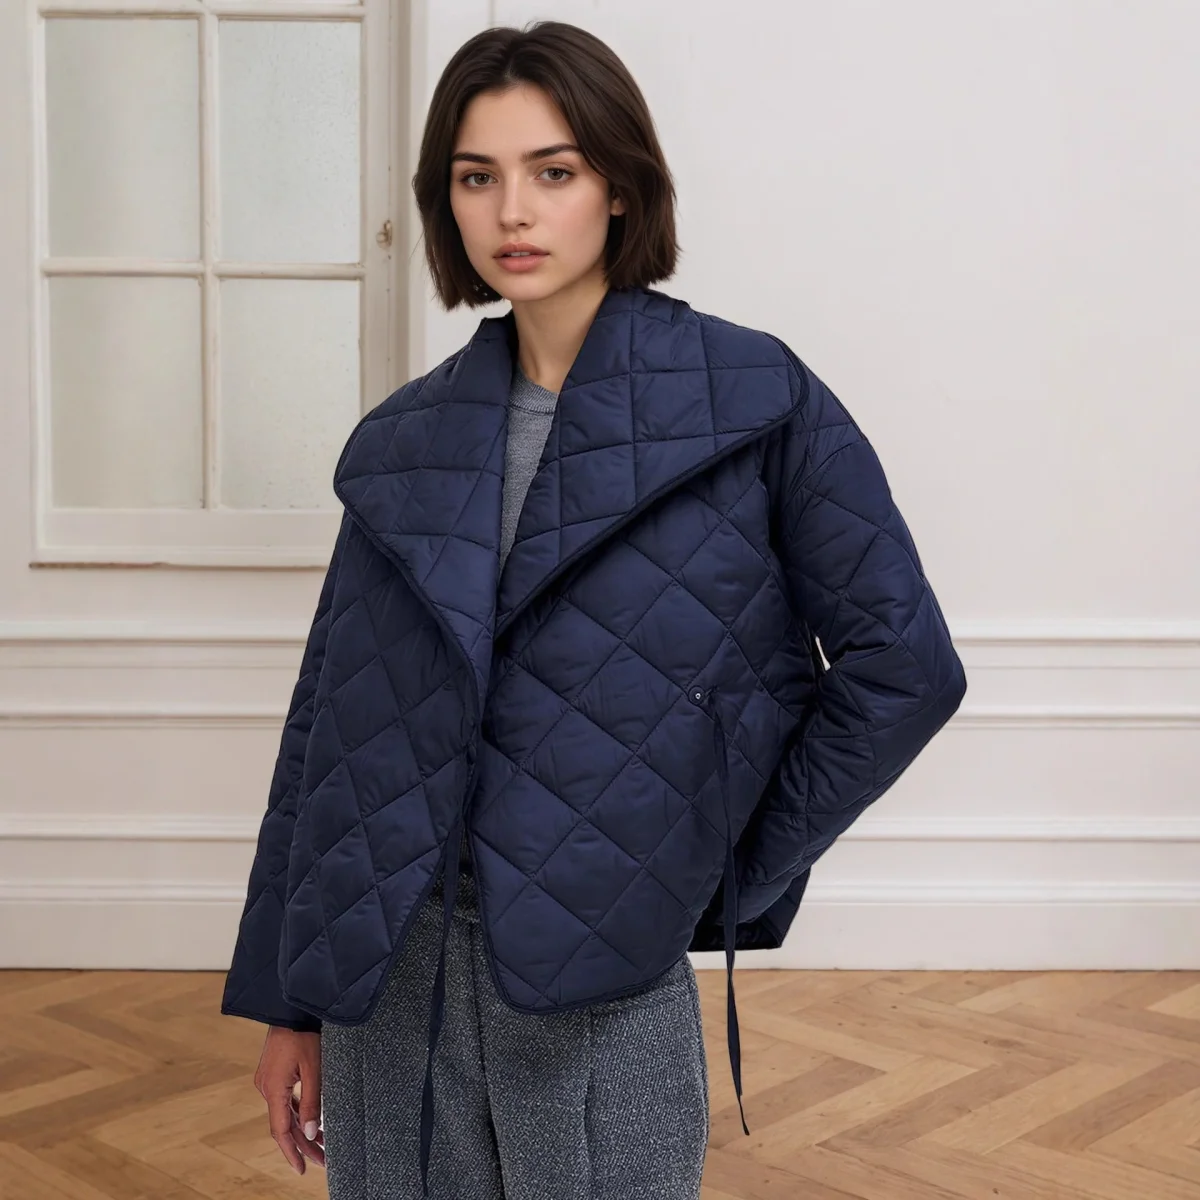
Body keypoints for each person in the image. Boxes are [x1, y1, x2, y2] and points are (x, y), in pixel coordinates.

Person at [219, 19, 967, 1200]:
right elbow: (329, 730)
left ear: (618, 185)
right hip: (388, 978)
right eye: (477, 177)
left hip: (601, 977)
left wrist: (722, 875)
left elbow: (905, 669)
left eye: (552, 171)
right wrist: (289, 997)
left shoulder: (758, 401)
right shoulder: (403, 442)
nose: (512, 211)